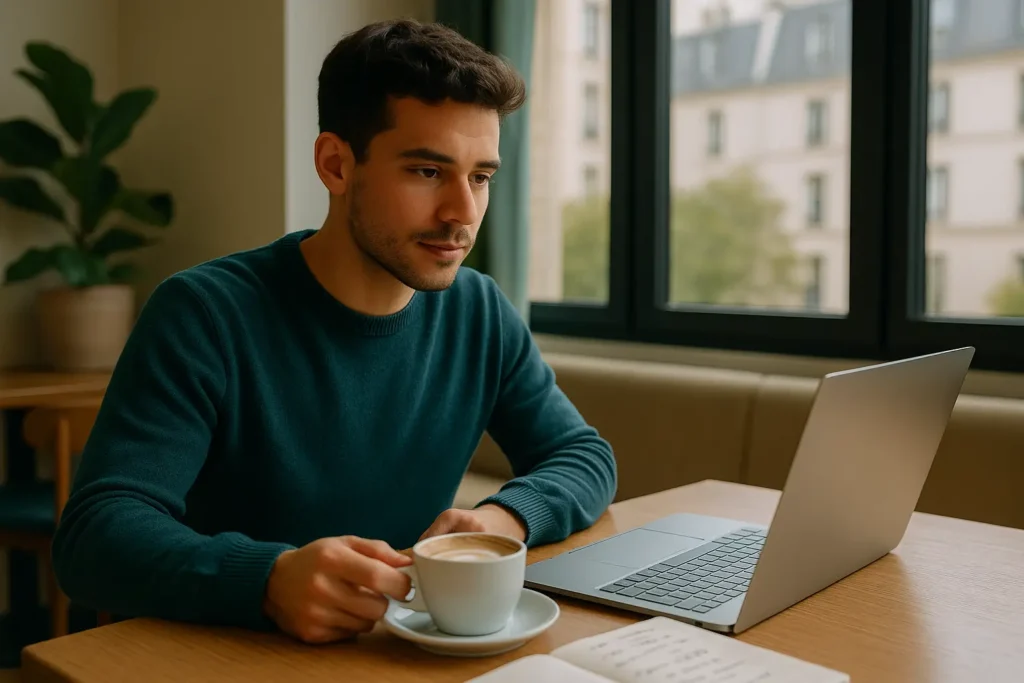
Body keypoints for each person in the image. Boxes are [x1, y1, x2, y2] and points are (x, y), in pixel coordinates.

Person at [51, 18, 617, 645]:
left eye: (480, 176)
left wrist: (504, 517)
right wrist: (266, 578)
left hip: (390, 656)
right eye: (428, 172)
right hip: (227, 657)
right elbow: (95, 535)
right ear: (335, 164)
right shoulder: (203, 314)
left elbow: (583, 456)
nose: (463, 212)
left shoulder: (479, 310)